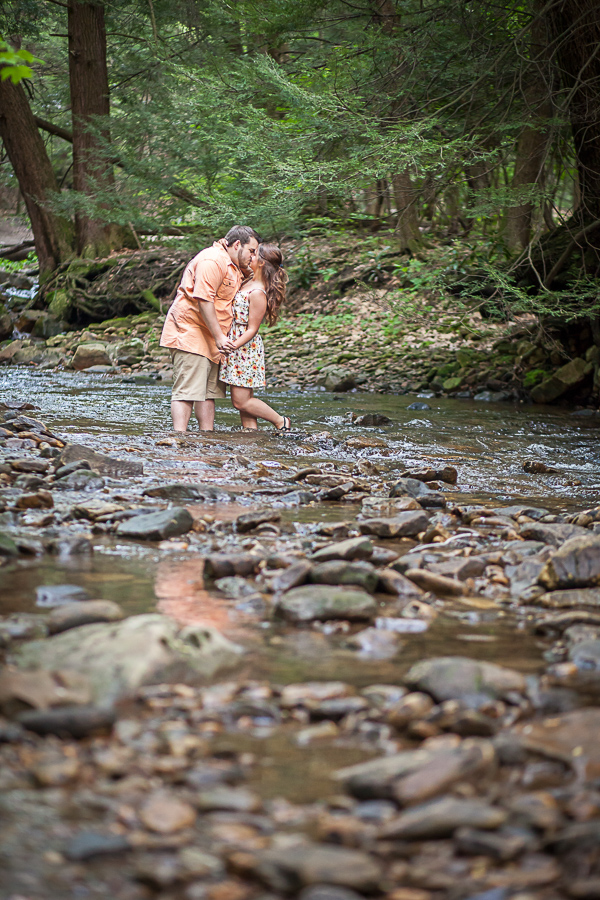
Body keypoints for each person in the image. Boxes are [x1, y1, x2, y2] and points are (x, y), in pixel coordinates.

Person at [160, 225, 261, 431]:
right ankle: (180, 438)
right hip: (192, 332)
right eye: (251, 251)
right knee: (187, 391)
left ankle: (207, 437)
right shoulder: (212, 260)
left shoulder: (233, 265)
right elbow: (203, 298)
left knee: (208, 393)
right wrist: (219, 337)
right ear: (237, 244)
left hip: (212, 339)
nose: (253, 256)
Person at [220, 242, 291, 431]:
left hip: (244, 347)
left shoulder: (258, 291)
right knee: (246, 400)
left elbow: (252, 329)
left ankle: (280, 421)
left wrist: (232, 346)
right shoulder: (248, 281)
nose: (250, 255)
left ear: (261, 262)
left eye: (254, 253)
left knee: (240, 402)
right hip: (237, 344)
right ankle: (251, 436)